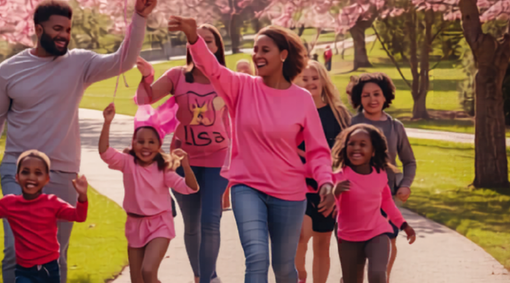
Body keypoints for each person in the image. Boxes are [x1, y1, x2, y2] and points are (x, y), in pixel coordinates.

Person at [0, 0, 157, 283]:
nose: (64, 36)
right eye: (57, 29)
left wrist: (140, 17)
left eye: (68, 30)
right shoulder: (9, 70)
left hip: (63, 172)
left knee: (55, 253)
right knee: (15, 249)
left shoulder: (79, 64)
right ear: (38, 29)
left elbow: (125, 59)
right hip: (17, 170)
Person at [169, 16, 335, 283]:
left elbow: (317, 150)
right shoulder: (241, 87)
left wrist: (326, 182)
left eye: (264, 50)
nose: (257, 55)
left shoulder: (302, 99)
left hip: (289, 192)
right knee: (256, 257)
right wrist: (193, 38)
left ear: (283, 55)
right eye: (255, 49)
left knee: (283, 268)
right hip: (247, 186)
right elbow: (212, 68)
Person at [134, 23, 230, 283]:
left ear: (217, 47)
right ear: (190, 46)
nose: (204, 45)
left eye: (209, 41)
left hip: (217, 161)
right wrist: (147, 76)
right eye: (199, 41)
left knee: (211, 221)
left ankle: (208, 278)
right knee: (192, 225)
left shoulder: (227, 78)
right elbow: (145, 99)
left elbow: (239, 121)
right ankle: (200, 275)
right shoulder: (178, 76)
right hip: (181, 162)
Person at [99, 102, 199, 283]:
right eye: (140, 141)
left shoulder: (164, 169)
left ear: (159, 145)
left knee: (148, 271)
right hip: (135, 224)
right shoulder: (127, 162)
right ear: (133, 142)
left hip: (160, 223)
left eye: (151, 142)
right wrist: (107, 122)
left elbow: (191, 188)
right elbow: (105, 152)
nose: (145, 146)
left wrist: (186, 165)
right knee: (137, 280)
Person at [0, 151, 89, 283]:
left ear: (47, 179)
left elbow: (79, 216)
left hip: (49, 269)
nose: (31, 177)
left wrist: (82, 196)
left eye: (38, 173)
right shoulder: (9, 203)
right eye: (25, 172)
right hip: (24, 270)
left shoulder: (53, 203)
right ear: (17, 177)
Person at [346, 72, 417, 281]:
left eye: (376, 94)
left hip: (388, 196)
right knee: (358, 245)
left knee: (387, 240)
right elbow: (339, 159)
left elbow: (409, 161)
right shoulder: (351, 125)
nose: (372, 99)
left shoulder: (396, 127)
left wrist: (405, 184)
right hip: (356, 198)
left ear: (385, 96)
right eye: (366, 95)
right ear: (359, 98)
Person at [331, 124, 416, 283]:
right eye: (352, 143)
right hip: (348, 236)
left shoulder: (379, 174)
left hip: (377, 232)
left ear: (373, 150)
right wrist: (334, 193)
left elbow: (386, 201)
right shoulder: (339, 177)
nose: (356, 148)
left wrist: (403, 225)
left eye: (363, 144)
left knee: (377, 275)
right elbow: (330, 210)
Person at [294, 60, 351, 283]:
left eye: (314, 78)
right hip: (298, 187)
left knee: (322, 242)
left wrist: (336, 189)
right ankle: (300, 277)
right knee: (300, 236)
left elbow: (345, 155)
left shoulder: (338, 114)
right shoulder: (291, 111)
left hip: (328, 188)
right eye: (304, 79)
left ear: (323, 80)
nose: (310, 83)